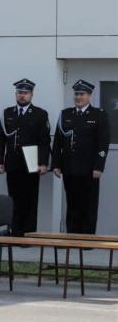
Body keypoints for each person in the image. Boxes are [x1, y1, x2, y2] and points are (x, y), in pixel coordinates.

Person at [52, 80, 110, 234]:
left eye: (82, 94)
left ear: (89, 96)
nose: (78, 97)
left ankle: (87, 239)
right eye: (76, 94)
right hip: (70, 168)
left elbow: (103, 143)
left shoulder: (99, 115)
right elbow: (58, 142)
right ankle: (72, 237)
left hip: (89, 169)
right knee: (72, 204)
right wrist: (56, 164)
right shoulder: (65, 114)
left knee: (89, 205)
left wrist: (99, 166)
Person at [0, 79, 51, 236]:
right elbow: (1, 139)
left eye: (25, 93)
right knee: (14, 199)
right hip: (12, 163)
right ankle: (16, 232)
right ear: (16, 94)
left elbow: (44, 141)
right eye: (20, 92)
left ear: (31, 95)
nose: (22, 95)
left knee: (30, 199)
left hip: (31, 163)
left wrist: (43, 163)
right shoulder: (7, 113)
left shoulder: (40, 114)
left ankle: (28, 234)